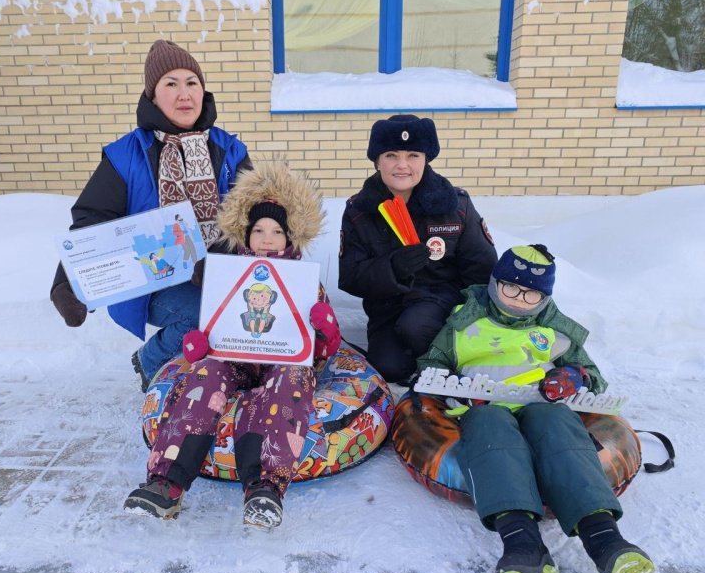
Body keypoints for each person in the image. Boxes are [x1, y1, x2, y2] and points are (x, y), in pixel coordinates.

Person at [416, 244, 655, 573]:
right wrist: (458, 388)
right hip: (485, 405)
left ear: (543, 297)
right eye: (510, 288)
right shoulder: (463, 322)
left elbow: (592, 375)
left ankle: (607, 542)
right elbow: (430, 365)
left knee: (560, 433)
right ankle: (523, 546)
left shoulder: (556, 329)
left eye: (531, 294)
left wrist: (574, 377)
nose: (518, 299)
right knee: (491, 434)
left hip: (541, 402)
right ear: (495, 283)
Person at [124, 160, 341, 529]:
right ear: (246, 233)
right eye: (259, 230)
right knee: (205, 374)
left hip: (283, 363)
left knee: (288, 384)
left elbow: (321, 353)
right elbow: (215, 330)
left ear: (291, 237)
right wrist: (198, 346)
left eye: (277, 230)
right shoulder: (228, 276)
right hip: (235, 357)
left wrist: (325, 329)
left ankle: (264, 488)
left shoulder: (305, 282)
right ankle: (166, 483)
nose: (268, 239)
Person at [49, 40, 252, 391]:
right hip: (150, 280)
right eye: (170, 84)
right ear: (153, 96)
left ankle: (211, 379)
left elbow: (253, 217)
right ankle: (150, 360)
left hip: (217, 273)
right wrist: (67, 283)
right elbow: (92, 219)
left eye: (192, 82)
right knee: (202, 316)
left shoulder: (229, 150)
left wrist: (226, 257)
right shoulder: (125, 155)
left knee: (242, 316)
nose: (184, 93)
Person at [338, 114, 497, 384]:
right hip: (388, 309)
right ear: (377, 161)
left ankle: (452, 366)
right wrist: (392, 268)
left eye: (413, 155)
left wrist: (474, 323)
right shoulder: (359, 210)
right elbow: (351, 276)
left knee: (416, 325)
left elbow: (482, 271)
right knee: (388, 368)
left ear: (426, 159)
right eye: (390, 155)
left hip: (443, 305)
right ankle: (424, 366)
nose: (402, 165)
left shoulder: (455, 206)